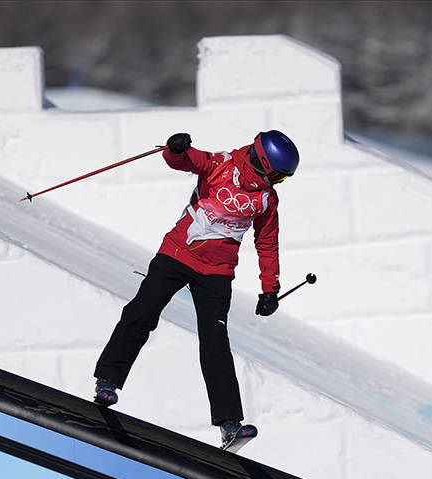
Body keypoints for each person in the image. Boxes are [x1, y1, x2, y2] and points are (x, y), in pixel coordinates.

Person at [93, 130, 300, 446]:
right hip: (177, 253)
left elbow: (267, 242)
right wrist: (176, 150)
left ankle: (230, 423)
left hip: (217, 272)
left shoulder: (266, 199)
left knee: (215, 342)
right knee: (143, 311)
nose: (279, 183)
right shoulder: (221, 164)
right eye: (280, 177)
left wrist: (270, 289)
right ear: (266, 164)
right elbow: (186, 161)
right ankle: (108, 380)